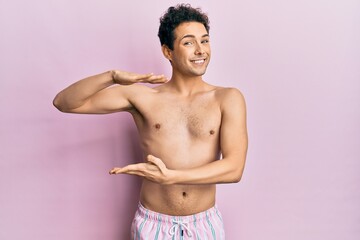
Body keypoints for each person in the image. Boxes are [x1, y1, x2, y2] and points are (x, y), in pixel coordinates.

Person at [53, 4, 248, 239]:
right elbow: (65, 102)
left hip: (204, 223)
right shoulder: (143, 97)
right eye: (188, 43)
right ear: (167, 51)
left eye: (204, 41)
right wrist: (111, 76)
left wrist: (172, 177)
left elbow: (234, 168)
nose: (200, 50)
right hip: (154, 224)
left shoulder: (227, 98)